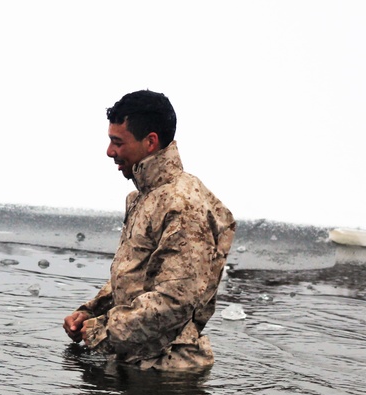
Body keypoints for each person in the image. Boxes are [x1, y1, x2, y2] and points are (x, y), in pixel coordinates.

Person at [63, 91, 236, 370]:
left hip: (168, 373)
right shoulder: (143, 198)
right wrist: (91, 312)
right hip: (135, 361)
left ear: (150, 142)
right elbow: (138, 277)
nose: (109, 152)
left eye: (117, 142)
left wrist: (102, 329)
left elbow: (175, 299)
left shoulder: (183, 205)